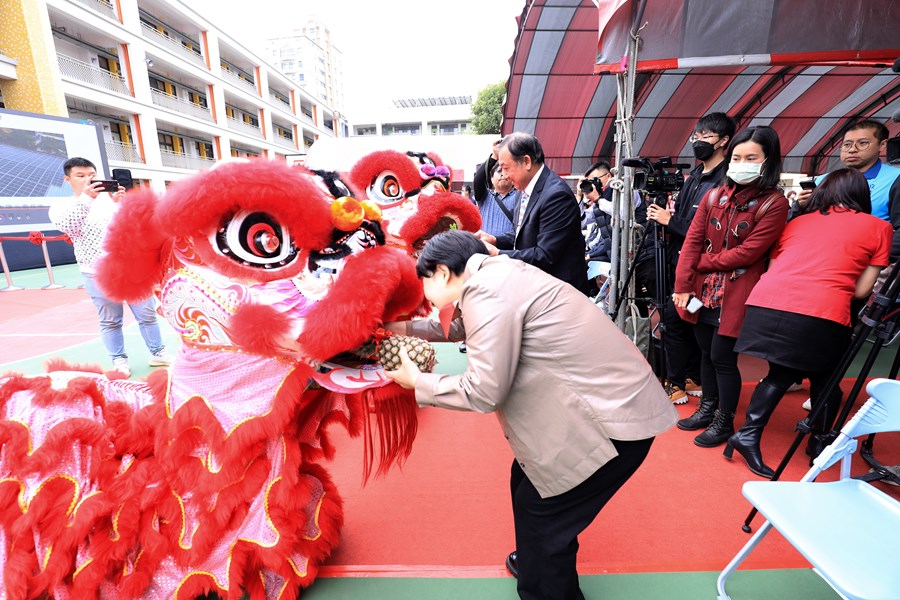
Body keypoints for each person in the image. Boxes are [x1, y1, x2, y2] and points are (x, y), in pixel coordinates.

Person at [384, 230, 677, 600]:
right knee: (527, 484)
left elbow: (484, 391)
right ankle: (535, 564)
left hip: (611, 422)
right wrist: (401, 329)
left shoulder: (488, 291)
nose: (424, 294)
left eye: (422, 279)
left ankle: (548, 588)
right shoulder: (498, 274)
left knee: (546, 515)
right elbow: (458, 326)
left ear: (442, 272)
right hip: (601, 406)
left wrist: (419, 382)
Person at [725, 169, 892, 477]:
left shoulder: (797, 222)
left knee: (785, 373)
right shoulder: (880, 227)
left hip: (766, 303)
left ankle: (758, 436)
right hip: (821, 310)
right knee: (825, 380)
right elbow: (861, 290)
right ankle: (811, 441)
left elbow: (775, 268)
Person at [672, 126, 790, 448]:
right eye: (737, 157)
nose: (742, 163)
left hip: (736, 293)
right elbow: (692, 242)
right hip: (702, 292)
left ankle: (724, 420)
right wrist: (683, 285)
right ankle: (707, 409)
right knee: (706, 354)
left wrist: (701, 262)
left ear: (768, 161)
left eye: (751, 157)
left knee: (723, 357)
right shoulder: (714, 195)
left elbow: (749, 253)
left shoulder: (774, 203)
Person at [49, 157, 173, 376]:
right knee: (110, 320)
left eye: (92, 175)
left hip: (131, 269)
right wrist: (87, 197)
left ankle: (158, 353)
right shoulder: (62, 206)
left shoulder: (110, 201)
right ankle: (119, 360)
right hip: (96, 273)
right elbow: (69, 226)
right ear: (67, 180)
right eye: (81, 176)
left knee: (147, 314)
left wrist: (122, 205)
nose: (88, 180)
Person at [646, 112, 735, 409]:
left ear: (724, 141)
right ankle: (691, 378)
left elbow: (710, 231)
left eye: (706, 137)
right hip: (678, 262)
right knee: (684, 321)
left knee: (677, 319)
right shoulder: (695, 176)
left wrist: (670, 220)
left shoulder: (726, 181)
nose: (698, 142)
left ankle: (676, 381)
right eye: (696, 137)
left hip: (704, 269)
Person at [475, 132, 589, 294]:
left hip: (558, 293)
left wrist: (499, 254)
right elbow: (520, 233)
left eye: (506, 168)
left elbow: (544, 255)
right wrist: (495, 240)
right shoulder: (523, 189)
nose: (504, 175)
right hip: (536, 285)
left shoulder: (556, 195)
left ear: (527, 162)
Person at [798, 119, 900, 260]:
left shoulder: (895, 179)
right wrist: (799, 206)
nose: (852, 149)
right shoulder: (822, 180)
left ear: (882, 145)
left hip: (864, 262)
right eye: (847, 144)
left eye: (862, 143)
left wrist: (874, 263)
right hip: (818, 258)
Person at [472, 145, 522, 238]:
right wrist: (494, 156)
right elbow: (478, 179)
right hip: (485, 247)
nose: (503, 174)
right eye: (499, 171)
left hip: (508, 250)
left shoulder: (520, 196)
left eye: (506, 171)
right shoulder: (485, 196)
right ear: (491, 178)